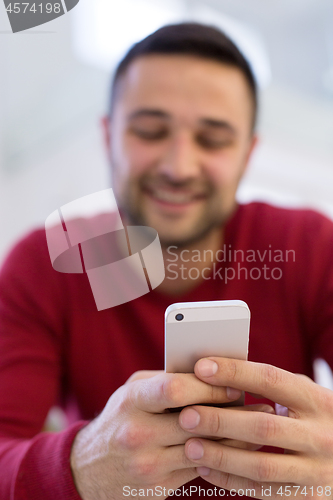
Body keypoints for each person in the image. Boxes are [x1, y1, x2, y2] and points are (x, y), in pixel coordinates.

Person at [0, 22, 333, 500]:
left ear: (247, 153)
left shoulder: (310, 245)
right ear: (108, 135)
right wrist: (79, 465)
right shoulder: (45, 264)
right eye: (150, 131)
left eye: (213, 139)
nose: (179, 166)